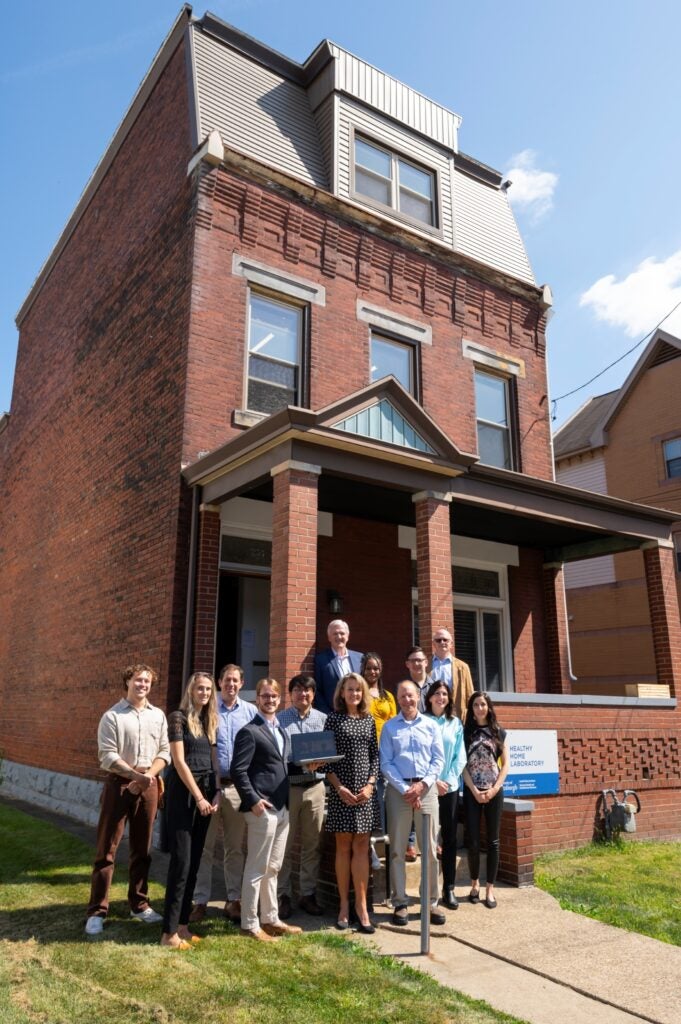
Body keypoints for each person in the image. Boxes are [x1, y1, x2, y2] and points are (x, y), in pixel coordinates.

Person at [85, 663, 170, 936]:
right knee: (106, 850)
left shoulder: (158, 716)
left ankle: (139, 904)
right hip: (120, 785)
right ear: (127, 682)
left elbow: (164, 751)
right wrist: (135, 776)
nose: (142, 685)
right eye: (137, 680)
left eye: (146, 681)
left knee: (142, 850)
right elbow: (107, 755)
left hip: (150, 786)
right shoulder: (112, 716)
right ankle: (97, 911)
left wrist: (148, 778)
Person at [231, 678, 302, 942]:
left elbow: (281, 766)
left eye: (274, 696)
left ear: (279, 699)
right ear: (256, 699)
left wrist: (309, 767)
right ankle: (250, 923)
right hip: (262, 808)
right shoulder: (249, 731)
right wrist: (253, 800)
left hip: (282, 808)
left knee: (273, 867)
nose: (269, 700)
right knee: (257, 867)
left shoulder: (281, 730)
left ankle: (270, 918)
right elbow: (238, 771)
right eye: (264, 696)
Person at [190, 664, 257, 923]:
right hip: (209, 788)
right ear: (219, 682)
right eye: (226, 680)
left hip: (238, 788)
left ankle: (233, 899)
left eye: (235, 680)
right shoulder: (208, 709)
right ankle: (200, 901)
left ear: (242, 683)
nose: (230, 684)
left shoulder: (251, 712)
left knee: (234, 848)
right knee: (204, 847)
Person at [379, 680, 445, 927]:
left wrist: (422, 785)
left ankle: (431, 902)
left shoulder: (430, 725)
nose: (407, 700)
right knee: (397, 849)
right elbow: (386, 763)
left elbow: (438, 760)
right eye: (402, 696)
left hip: (426, 791)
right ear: (398, 699)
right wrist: (407, 789)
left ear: (418, 696)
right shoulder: (389, 728)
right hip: (399, 793)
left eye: (411, 695)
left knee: (428, 848)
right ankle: (400, 902)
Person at [161, 672, 219, 949]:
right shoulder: (177, 717)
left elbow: (212, 760)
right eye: (200, 688)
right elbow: (179, 762)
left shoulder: (208, 720)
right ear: (191, 690)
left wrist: (215, 792)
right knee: (181, 863)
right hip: (184, 796)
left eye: (208, 689)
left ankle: (182, 926)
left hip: (205, 795)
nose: (204, 692)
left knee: (194, 863)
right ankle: (168, 933)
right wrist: (198, 797)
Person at [324, 672, 380, 934]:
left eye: (358, 690)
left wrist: (370, 785)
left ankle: (362, 906)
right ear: (341, 692)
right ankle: (344, 906)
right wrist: (339, 787)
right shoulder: (333, 719)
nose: (354, 694)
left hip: (364, 794)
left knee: (361, 847)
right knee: (343, 847)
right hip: (341, 792)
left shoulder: (369, 721)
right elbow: (324, 760)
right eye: (350, 689)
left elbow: (375, 757)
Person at [276, 674, 327, 919]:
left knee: (312, 844)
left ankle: (307, 894)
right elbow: (278, 757)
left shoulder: (323, 719)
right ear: (291, 693)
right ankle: (282, 895)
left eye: (307, 690)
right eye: (297, 690)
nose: (302, 694)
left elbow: (329, 753)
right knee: (284, 844)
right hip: (290, 788)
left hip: (316, 789)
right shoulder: (280, 719)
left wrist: (322, 763)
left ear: (313, 694)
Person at [462, 691, 509, 909]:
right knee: (472, 840)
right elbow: (461, 765)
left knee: (493, 841)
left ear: (488, 707)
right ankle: (474, 884)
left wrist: (494, 789)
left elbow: (506, 764)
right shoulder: (465, 733)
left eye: (483, 704)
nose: (480, 708)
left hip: (494, 791)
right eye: (476, 705)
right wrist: (473, 789)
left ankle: (490, 888)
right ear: (471, 710)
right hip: (471, 791)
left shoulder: (498, 732)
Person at [424, 680, 467, 910]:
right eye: (437, 693)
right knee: (429, 840)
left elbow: (460, 756)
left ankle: (448, 888)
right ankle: (429, 890)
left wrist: (448, 781)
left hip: (449, 789)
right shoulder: (421, 721)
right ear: (429, 697)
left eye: (445, 694)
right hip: (427, 787)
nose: (441, 697)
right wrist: (433, 781)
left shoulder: (455, 723)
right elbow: (419, 756)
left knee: (449, 839)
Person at [361, 652, 395, 869]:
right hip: (364, 752)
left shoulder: (388, 696)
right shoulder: (358, 693)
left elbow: (394, 725)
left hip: (385, 752)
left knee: (383, 797)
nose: (372, 672)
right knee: (369, 798)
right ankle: (370, 848)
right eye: (369, 668)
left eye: (376, 668)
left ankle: (385, 840)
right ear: (363, 669)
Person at [314, 619, 363, 715]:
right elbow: (317, 691)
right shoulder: (321, 660)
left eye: (342, 633)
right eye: (335, 634)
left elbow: (365, 687)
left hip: (357, 715)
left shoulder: (360, 658)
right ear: (329, 637)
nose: (339, 637)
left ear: (348, 636)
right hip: (332, 715)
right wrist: (327, 715)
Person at [430, 628, 474, 722]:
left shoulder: (462, 667)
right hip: (431, 714)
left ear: (451, 643)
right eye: (438, 640)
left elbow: (469, 695)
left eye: (445, 640)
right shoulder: (426, 665)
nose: (442, 642)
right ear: (433, 644)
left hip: (455, 715)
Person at [404, 646, 433, 712]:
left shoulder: (435, 687)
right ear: (407, 664)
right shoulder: (402, 688)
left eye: (419, 660)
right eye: (412, 661)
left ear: (426, 663)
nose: (416, 664)